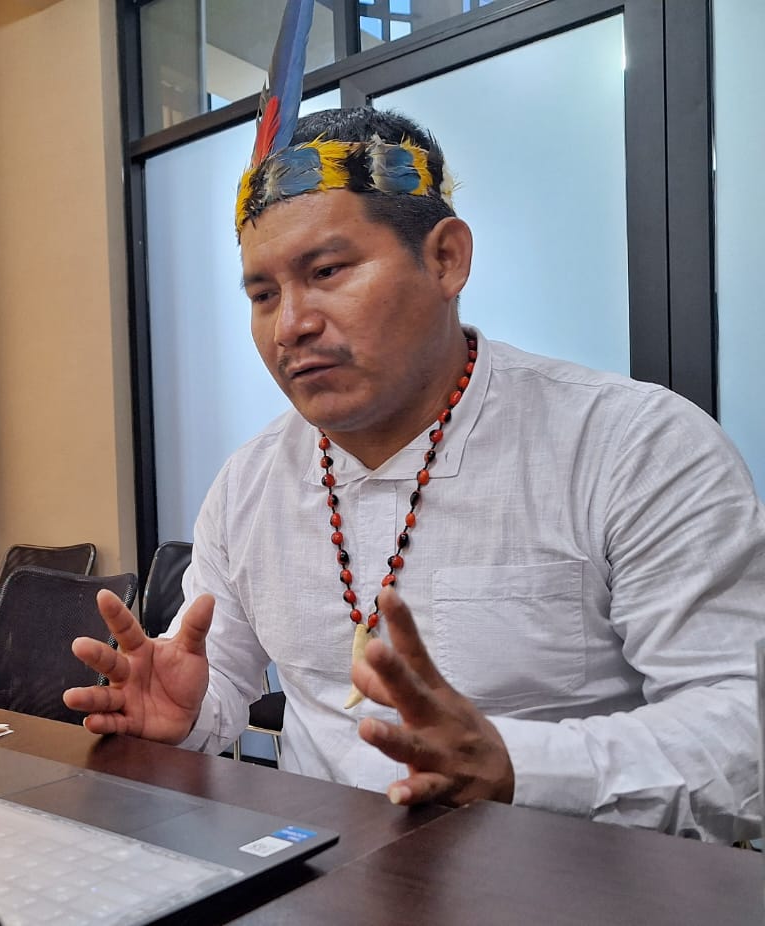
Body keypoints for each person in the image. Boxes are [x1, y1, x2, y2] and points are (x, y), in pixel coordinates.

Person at [63, 104, 765, 844]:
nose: (291, 325)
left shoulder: (630, 447)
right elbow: (218, 683)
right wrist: (183, 717)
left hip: (571, 884)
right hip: (316, 877)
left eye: (327, 271)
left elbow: (743, 733)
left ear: (446, 260)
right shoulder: (249, 485)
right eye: (263, 295)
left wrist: (519, 767)